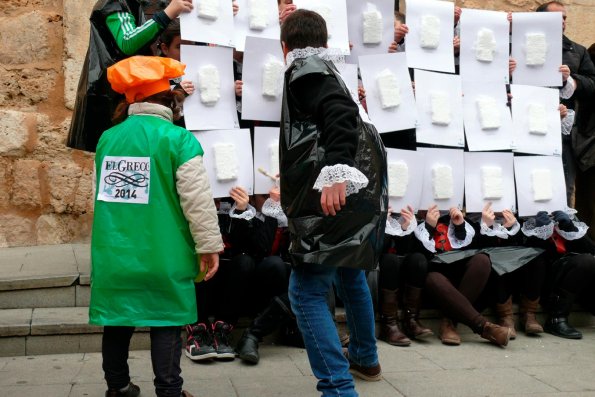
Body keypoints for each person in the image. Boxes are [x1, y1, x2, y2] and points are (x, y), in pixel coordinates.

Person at [89, 56, 223, 397]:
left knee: (117, 320)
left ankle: (118, 387)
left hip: (116, 252)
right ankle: (169, 390)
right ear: (168, 100)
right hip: (165, 252)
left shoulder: (107, 139)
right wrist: (209, 246)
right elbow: (197, 201)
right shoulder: (179, 141)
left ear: (132, 99)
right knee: (166, 320)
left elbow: (102, 195)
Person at [279, 10, 388, 396]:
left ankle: (338, 388)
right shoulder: (326, 67)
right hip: (356, 194)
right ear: (324, 41)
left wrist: (335, 170)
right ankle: (364, 357)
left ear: (284, 46)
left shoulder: (305, 69)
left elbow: (339, 117)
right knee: (349, 271)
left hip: (336, 192)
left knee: (305, 291)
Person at [67, 0, 193, 152]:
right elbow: (128, 41)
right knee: (123, 156)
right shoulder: (115, 2)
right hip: (113, 94)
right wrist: (169, 12)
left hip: (126, 96)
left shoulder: (129, 4)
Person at [536, 1, 595, 207]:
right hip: (529, 126)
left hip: (565, 134)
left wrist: (571, 79)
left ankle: (564, 236)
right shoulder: (518, 45)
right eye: (558, 17)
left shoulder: (578, 51)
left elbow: (592, 84)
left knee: (565, 186)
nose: (563, 22)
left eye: (565, 18)